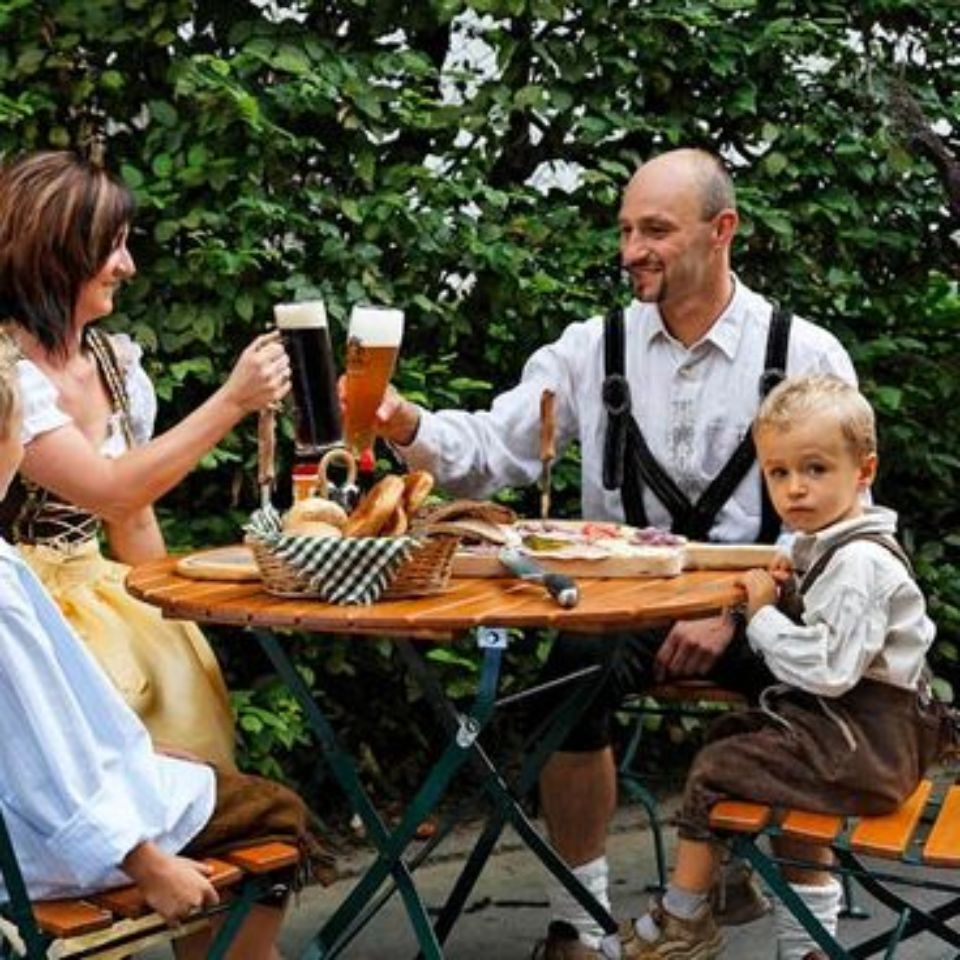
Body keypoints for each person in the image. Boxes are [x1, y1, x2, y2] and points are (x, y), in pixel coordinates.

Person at [371, 147, 858, 955]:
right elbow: (497, 446)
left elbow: (843, 530)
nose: (632, 249)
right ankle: (585, 921)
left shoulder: (804, 355)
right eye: (627, 229)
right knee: (569, 675)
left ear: (722, 231)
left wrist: (737, 606)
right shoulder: (592, 349)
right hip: (622, 604)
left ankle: (810, 934)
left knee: (806, 696)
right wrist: (407, 425)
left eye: (656, 230)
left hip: (771, 603)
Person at [0, 338, 331, 960]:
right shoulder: (4, 593)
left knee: (193, 769)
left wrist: (140, 749)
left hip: (37, 825)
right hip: (40, 847)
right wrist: (146, 863)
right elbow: (43, 765)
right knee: (275, 811)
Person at [589, 373, 940, 960]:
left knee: (718, 765)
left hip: (867, 752)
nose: (795, 489)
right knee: (734, 736)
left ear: (865, 472)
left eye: (816, 469)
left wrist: (760, 615)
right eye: (779, 473)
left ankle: (685, 919)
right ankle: (789, 933)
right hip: (851, 739)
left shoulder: (858, 563)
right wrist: (783, 593)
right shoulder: (825, 547)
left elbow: (828, 668)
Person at [0, 151, 292, 768]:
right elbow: (108, 490)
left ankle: (189, 848)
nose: (127, 266)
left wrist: (175, 618)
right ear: (56, 252)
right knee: (102, 717)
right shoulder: (9, 376)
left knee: (180, 685)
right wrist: (233, 401)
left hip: (103, 586)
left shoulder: (114, 365)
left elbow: (132, 518)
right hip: (21, 605)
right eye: (113, 247)